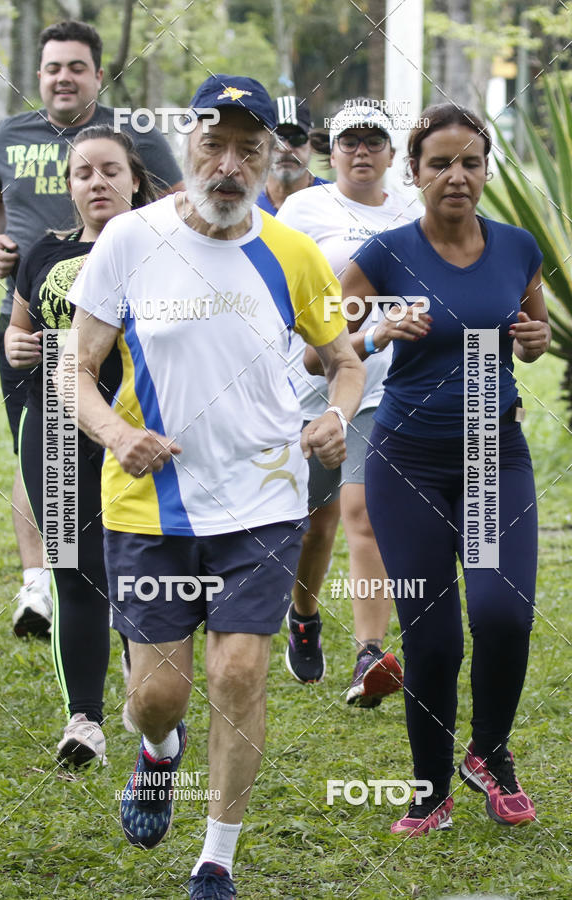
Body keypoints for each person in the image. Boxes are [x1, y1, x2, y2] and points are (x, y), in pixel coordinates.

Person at [65, 74, 364, 898]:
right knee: (156, 695)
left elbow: (345, 363)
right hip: (149, 505)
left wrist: (337, 414)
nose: (229, 163)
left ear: (271, 158)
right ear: (187, 148)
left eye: (249, 148)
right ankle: (160, 751)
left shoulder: (293, 254)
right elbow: (76, 371)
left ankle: (216, 858)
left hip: (262, 497)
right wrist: (118, 433)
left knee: (238, 674)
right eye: (214, 144)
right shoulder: (128, 239)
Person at [342, 103, 549, 834]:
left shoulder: (518, 246)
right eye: (440, 163)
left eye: (470, 162)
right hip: (409, 461)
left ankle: (489, 753)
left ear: (487, 170)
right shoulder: (385, 252)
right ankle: (430, 787)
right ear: (415, 172)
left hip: (493, 457)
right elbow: (319, 349)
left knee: (502, 613)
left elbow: (532, 330)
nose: (456, 176)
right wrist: (376, 332)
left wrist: (534, 338)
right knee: (430, 634)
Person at [0, 19, 183, 639]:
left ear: (97, 74)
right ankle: (41, 583)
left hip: (126, 326)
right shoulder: (8, 134)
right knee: (37, 447)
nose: (63, 77)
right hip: (33, 318)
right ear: (39, 76)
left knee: (114, 443)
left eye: (75, 67)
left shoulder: (130, 136)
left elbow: (177, 200)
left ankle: (125, 577)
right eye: (52, 67)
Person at [4, 125, 158, 764]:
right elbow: (18, 331)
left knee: (138, 570)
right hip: (58, 431)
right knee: (73, 567)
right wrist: (16, 345)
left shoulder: (164, 249)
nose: (97, 182)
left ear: (134, 179)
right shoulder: (45, 250)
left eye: (110, 170)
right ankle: (84, 720)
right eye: (83, 173)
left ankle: (144, 691)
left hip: (136, 431)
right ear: (70, 188)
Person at [277, 100, 421, 703]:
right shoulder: (303, 208)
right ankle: (303, 617)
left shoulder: (414, 209)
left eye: (374, 142)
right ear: (329, 151)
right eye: (349, 143)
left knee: (365, 515)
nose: (362, 152)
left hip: (384, 385)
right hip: (308, 381)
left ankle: (368, 655)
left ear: (393, 154)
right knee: (317, 522)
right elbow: (275, 286)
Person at [256, 95, 328, 215]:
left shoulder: (333, 200)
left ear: (312, 144)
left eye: (297, 139)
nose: (286, 148)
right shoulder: (245, 205)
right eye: (277, 139)